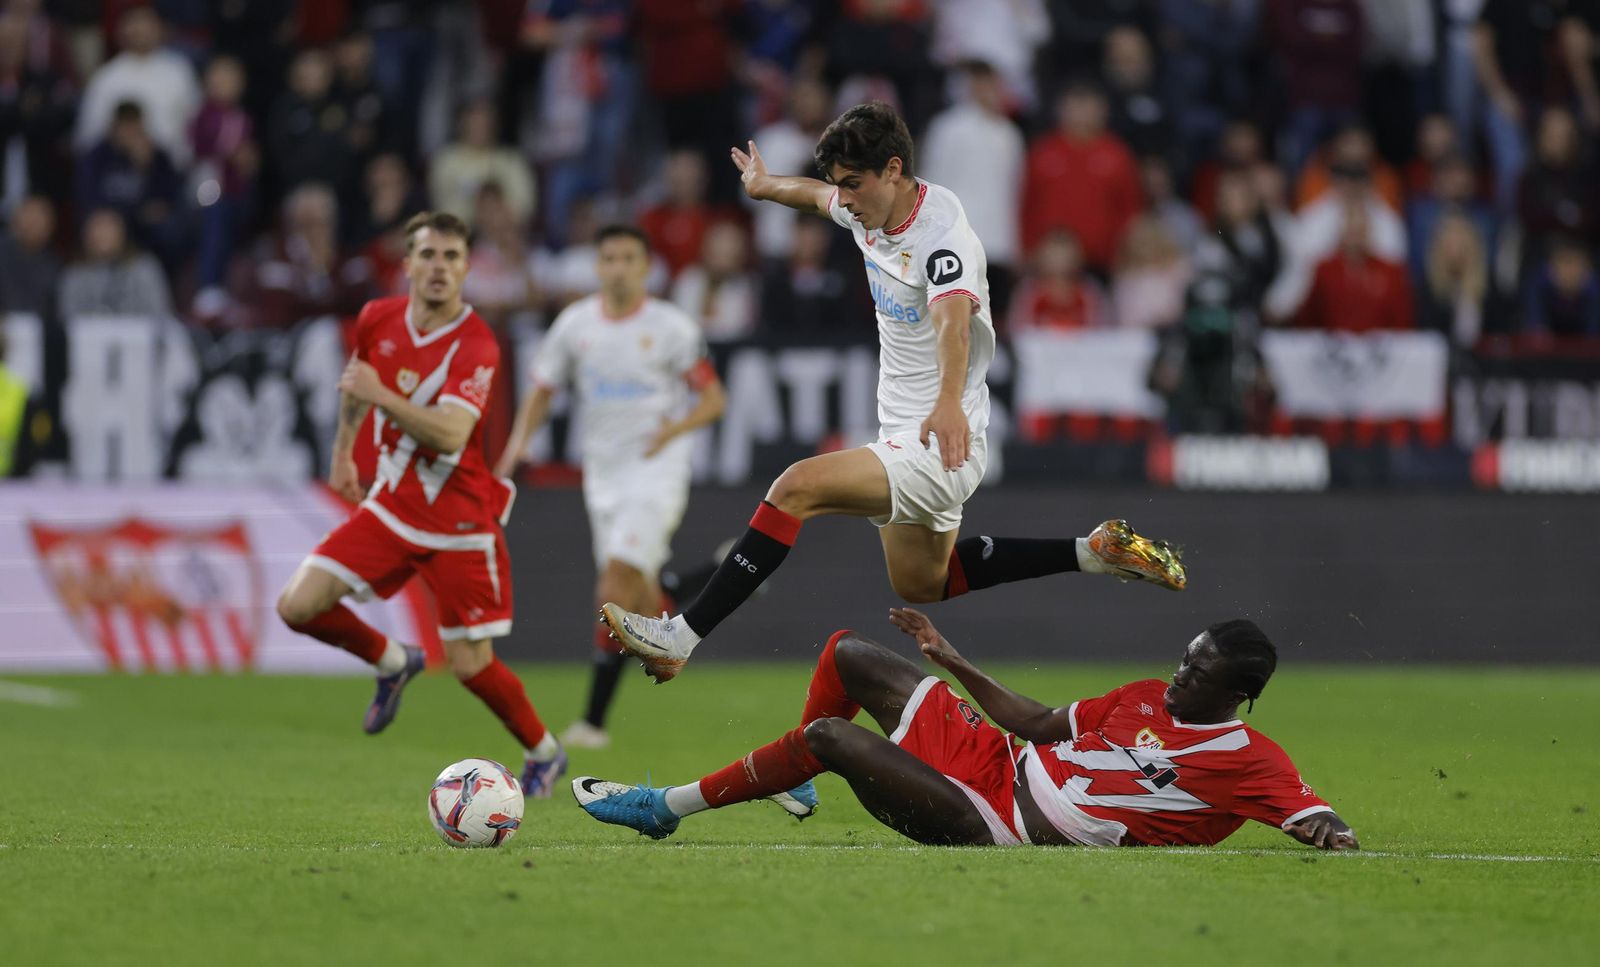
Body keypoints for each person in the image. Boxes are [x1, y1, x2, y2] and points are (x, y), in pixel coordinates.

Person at [600, 102, 1186, 684]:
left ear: (895, 169)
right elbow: (812, 196)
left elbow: (954, 319)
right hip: (910, 431)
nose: (845, 198)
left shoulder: (941, 234)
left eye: (854, 184)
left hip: (940, 437)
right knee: (922, 582)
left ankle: (680, 634)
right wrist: (763, 185)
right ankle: (1094, 551)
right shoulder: (867, 210)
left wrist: (949, 401)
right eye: (841, 186)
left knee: (795, 487)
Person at [574, 608, 1359, 851]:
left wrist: (1332, 834)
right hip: (994, 756)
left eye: (1200, 673)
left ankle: (663, 808)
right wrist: (952, 659)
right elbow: (1035, 721)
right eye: (1185, 661)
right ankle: (789, 776)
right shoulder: (1143, 694)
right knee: (849, 654)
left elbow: (1315, 818)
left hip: (998, 819)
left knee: (829, 737)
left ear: (1240, 693)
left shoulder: (1250, 761)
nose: (1180, 676)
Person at [274, 211, 568, 796]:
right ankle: (391, 660)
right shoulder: (377, 318)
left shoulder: (477, 344)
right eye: (428, 255)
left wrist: (380, 395)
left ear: (466, 269)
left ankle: (544, 751)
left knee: (470, 665)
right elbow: (356, 384)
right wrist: (342, 454)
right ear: (405, 264)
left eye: (452, 257)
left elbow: (452, 434)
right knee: (297, 605)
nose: (439, 268)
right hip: (390, 506)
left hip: (459, 523)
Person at [496, 225, 726, 748]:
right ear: (597, 267)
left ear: (645, 268)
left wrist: (674, 429)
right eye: (609, 258)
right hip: (602, 474)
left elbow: (713, 400)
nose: (618, 267)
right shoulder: (574, 326)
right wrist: (517, 445)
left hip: (656, 470)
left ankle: (593, 724)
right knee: (643, 601)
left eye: (628, 259)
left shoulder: (670, 327)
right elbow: (542, 389)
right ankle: (725, 573)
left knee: (613, 590)